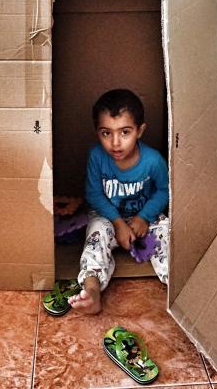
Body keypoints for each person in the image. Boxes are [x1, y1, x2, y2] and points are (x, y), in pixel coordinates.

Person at [68, 89, 169, 314]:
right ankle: (92, 292)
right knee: (96, 234)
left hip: (144, 217)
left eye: (125, 132)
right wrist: (118, 223)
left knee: (166, 231)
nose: (115, 143)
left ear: (140, 131)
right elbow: (93, 194)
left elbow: (164, 191)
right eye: (106, 133)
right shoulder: (97, 157)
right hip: (108, 218)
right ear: (97, 132)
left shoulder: (153, 161)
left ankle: (178, 284)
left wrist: (144, 217)